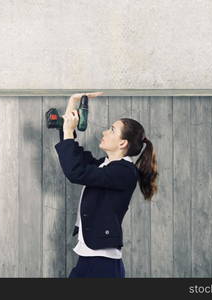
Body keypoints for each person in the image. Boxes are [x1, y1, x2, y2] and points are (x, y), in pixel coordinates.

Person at [54, 92, 159, 278]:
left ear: (123, 142)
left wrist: (70, 131)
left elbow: (75, 172)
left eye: (111, 130)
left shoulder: (124, 172)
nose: (104, 132)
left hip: (103, 264)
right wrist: (72, 104)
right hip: (88, 257)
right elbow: (76, 159)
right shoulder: (104, 165)